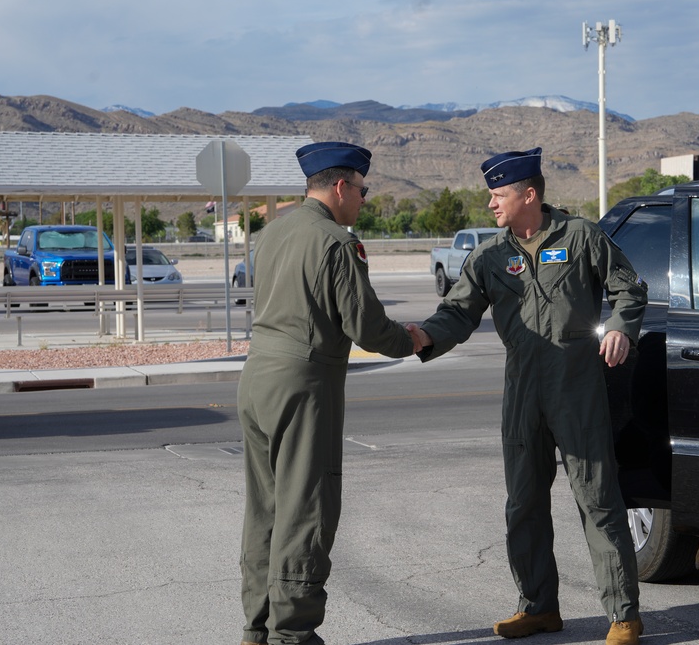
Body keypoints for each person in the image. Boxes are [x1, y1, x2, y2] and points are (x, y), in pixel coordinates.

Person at [413, 147, 649, 645]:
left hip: (577, 387)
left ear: (529, 194)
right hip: (522, 389)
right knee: (523, 504)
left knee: (598, 500)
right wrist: (420, 337)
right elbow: (456, 314)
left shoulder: (580, 236)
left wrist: (622, 328)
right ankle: (538, 608)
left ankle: (624, 615)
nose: (492, 203)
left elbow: (628, 290)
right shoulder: (490, 255)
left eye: (499, 194)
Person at [237, 141, 421, 645]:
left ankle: (256, 629)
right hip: (304, 383)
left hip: (256, 378)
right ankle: (292, 633)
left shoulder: (273, 232)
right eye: (362, 189)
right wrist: (413, 339)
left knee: (265, 511)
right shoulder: (336, 242)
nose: (364, 199)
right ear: (341, 186)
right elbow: (366, 326)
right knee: (307, 507)